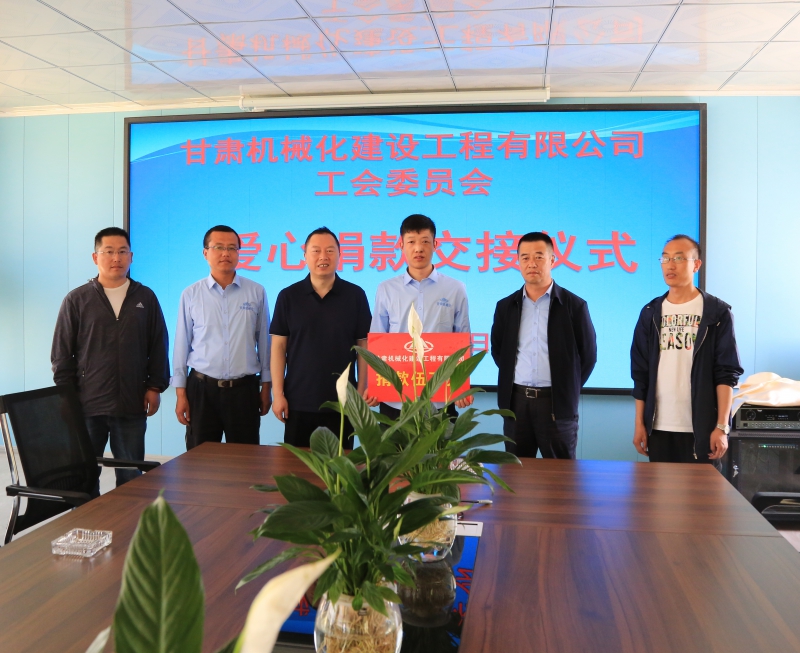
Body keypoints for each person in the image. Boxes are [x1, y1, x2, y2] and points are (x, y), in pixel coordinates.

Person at [51, 227, 169, 489]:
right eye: (109, 252)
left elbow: (159, 345)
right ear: (96, 257)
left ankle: (128, 517)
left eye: (122, 251)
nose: (116, 258)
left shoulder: (146, 297)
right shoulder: (77, 299)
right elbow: (61, 355)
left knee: (130, 476)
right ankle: (86, 516)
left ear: (131, 257)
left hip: (131, 402)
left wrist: (154, 387)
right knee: (83, 475)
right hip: (87, 403)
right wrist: (67, 396)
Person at [631, 234, 743, 467]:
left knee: (701, 491)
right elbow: (640, 373)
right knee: (659, 491)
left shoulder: (717, 313)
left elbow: (726, 373)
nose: (670, 265)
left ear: (696, 264)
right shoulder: (650, 312)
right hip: (659, 427)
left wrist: (722, 426)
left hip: (702, 429)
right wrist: (640, 424)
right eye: (665, 259)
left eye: (679, 258)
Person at [491, 232, 597, 459]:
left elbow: (588, 356)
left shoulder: (574, 306)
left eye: (539, 256)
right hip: (517, 404)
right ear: (518, 261)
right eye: (525, 257)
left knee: (561, 474)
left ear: (552, 260)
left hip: (556, 405)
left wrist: (565, 388)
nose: (532, 263)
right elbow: (499, 351)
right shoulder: (506, 306)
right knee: (516, 472)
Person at [270, 227, 371, 448]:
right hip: (298, 401)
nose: (323, 257)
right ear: (305, 255)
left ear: (340, 254)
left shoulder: (355, 295)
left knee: (340, 466)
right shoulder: (288, 296)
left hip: (343, 402)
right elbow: (278, 347)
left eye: (330, 251)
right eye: (316, 251)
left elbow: (363, 347)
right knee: (296, 466)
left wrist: (361, 391)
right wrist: (278, 394)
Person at [173, 225, 271, 450]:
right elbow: (181, 345)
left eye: (232, 248)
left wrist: (266, 387)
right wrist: (180, 393)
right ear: (205, 253)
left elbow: (265, 343)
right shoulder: (191, 294)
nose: (226, 253)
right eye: (218, 247)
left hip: (244, 391)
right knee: (199, 460)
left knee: (245, 460)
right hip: (202, 390)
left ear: (238, 253)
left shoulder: (256, 292)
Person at [369, 214, 473, 418]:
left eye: (425, 241)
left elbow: (463, 339)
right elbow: (377, 340)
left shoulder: (455, 288)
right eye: (411, 242)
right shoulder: (386, 289)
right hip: (396, 398)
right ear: (401, 245)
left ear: (435, 244)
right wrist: (373, 385)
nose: (418, 248)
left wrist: (462, 384)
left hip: (441, 397)